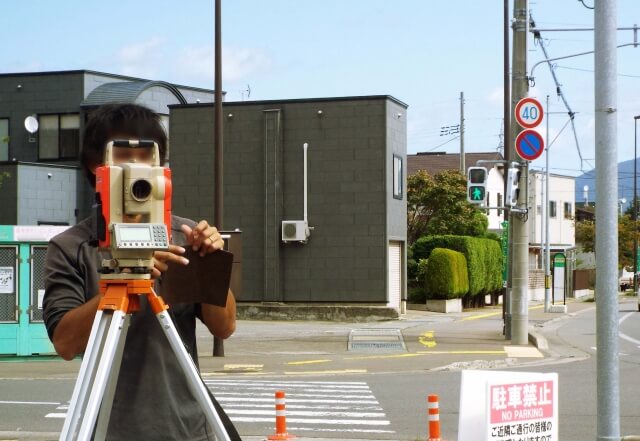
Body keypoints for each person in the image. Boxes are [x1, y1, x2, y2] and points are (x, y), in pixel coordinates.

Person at [43, 103, 237, 441]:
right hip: (108, 428)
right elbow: (65, 342)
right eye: (123, 155)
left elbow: (225, 326)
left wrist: (211, 262)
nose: (137, 167)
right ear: (96, 166)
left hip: (186, 427)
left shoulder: (183, 237)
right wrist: (123, 280)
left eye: (147, 155)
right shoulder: (71, 246)